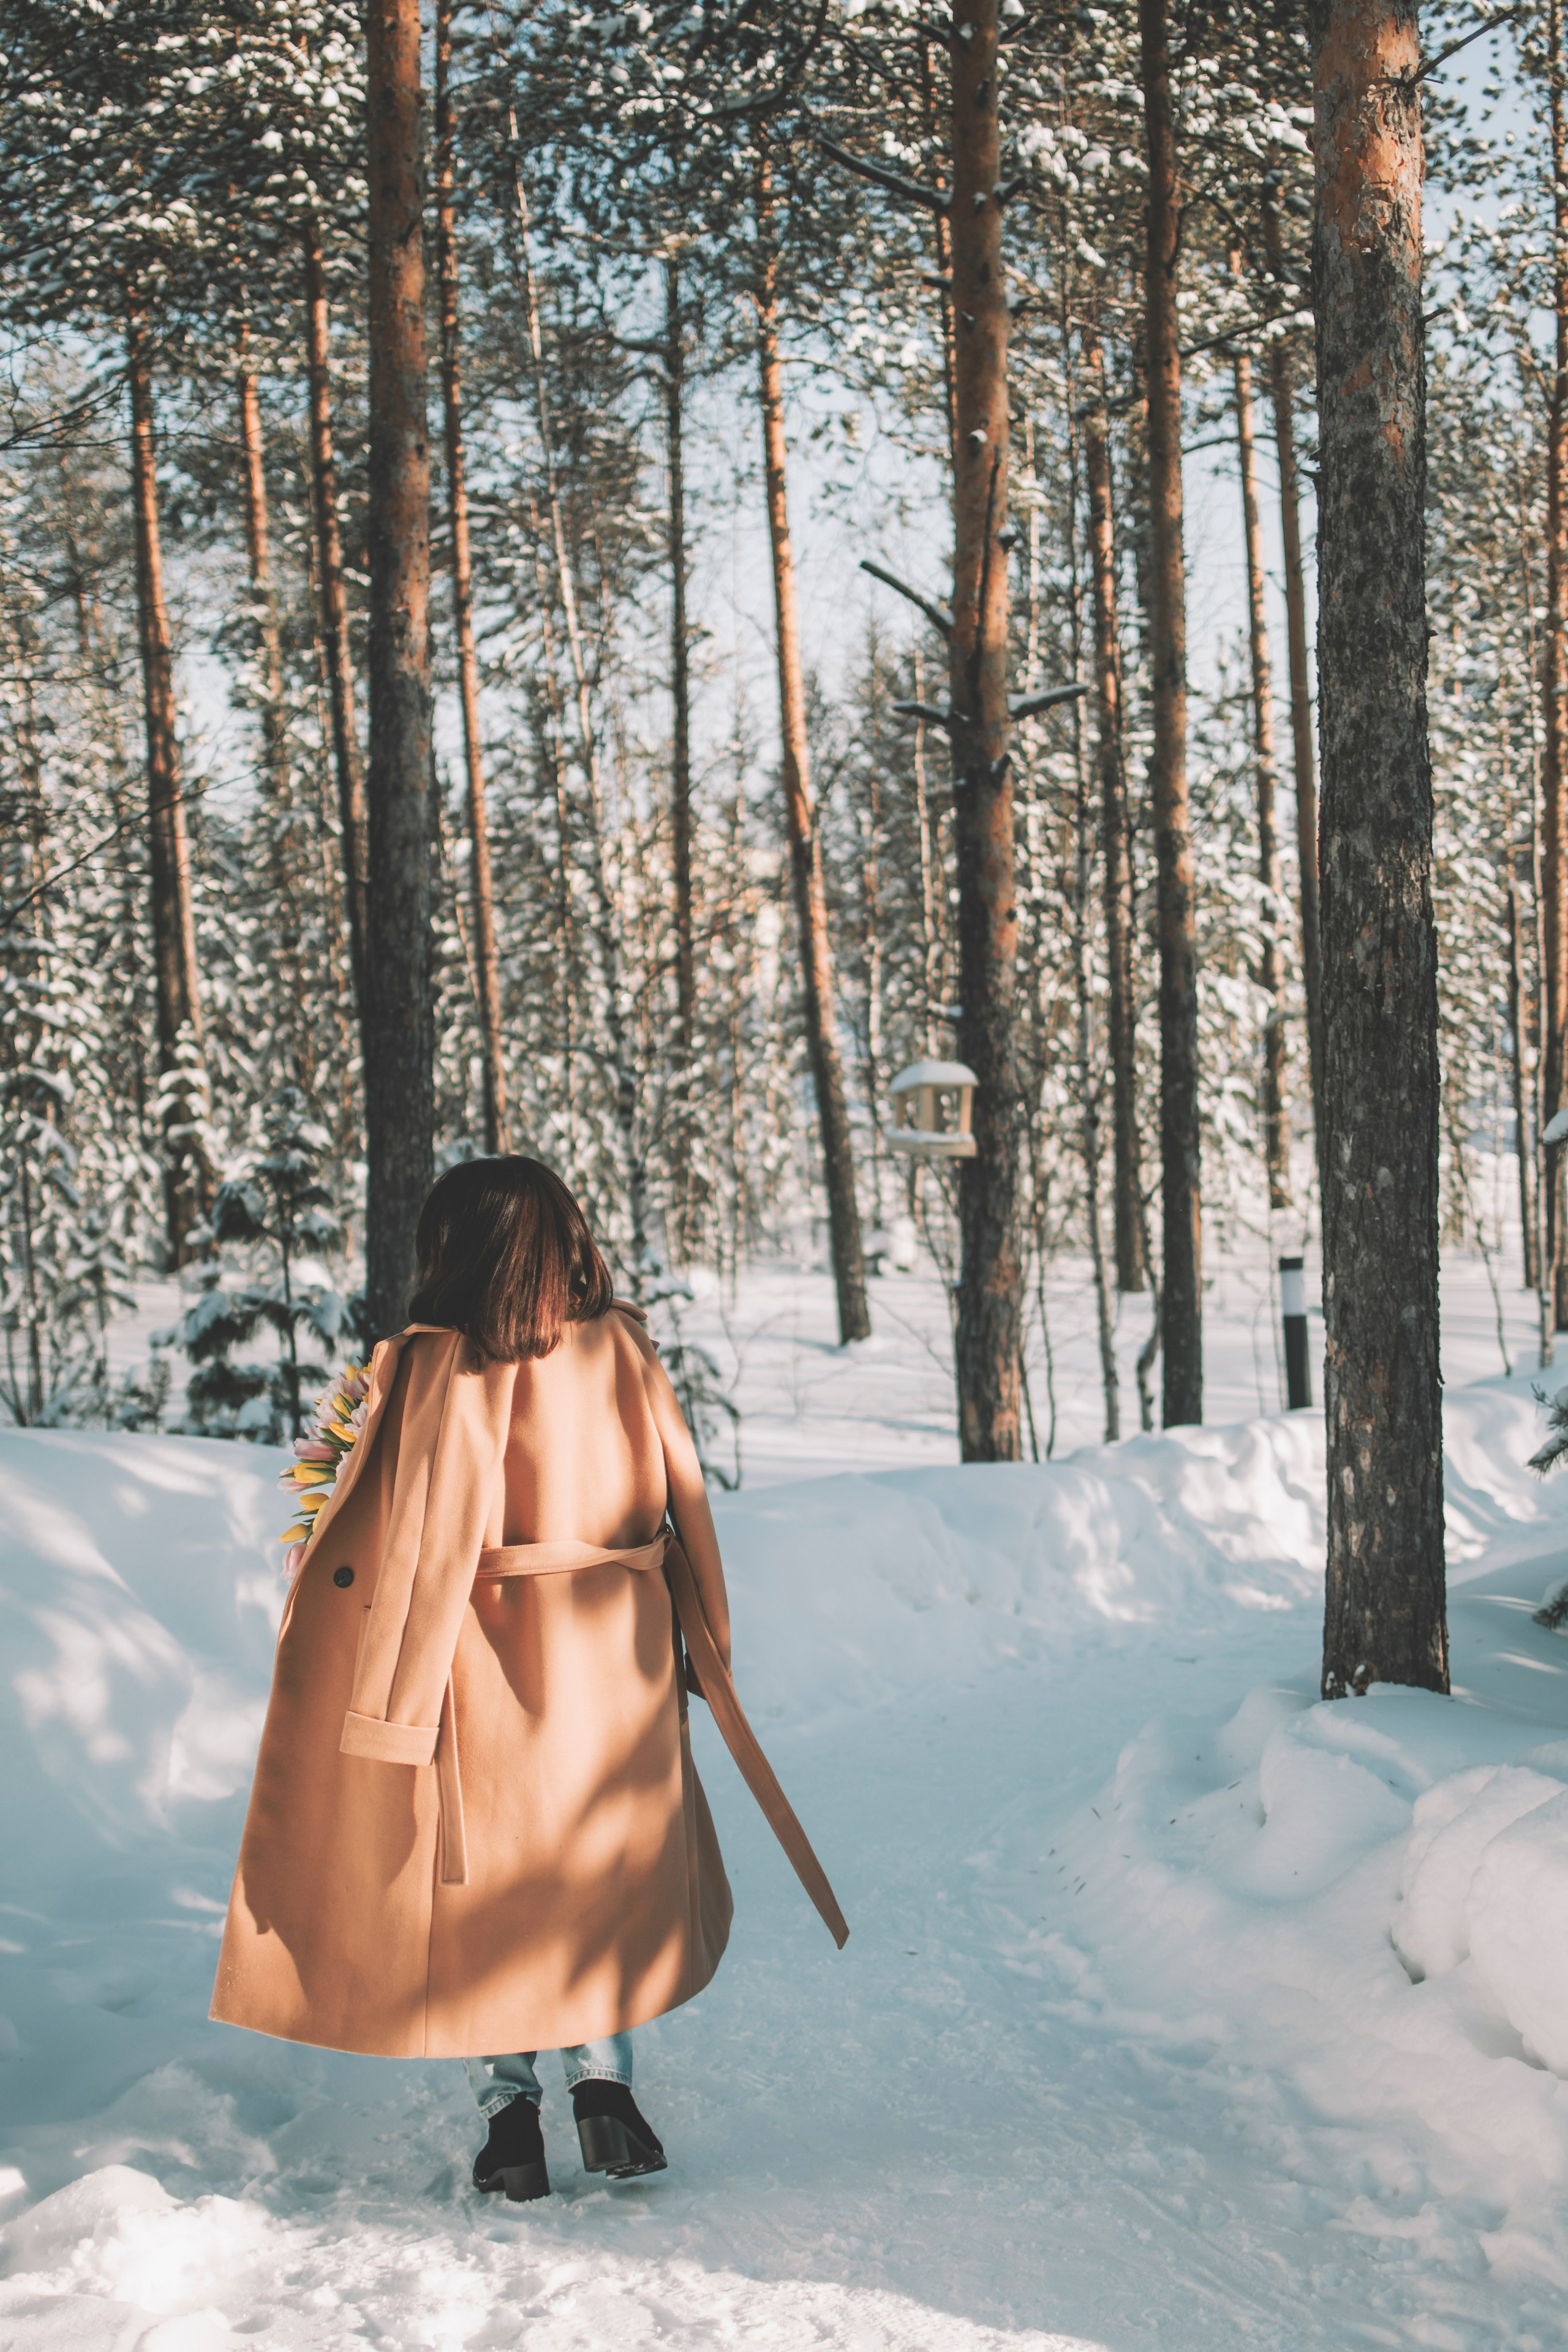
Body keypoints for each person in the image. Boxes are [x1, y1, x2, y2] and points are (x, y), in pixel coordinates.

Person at [211, 1156, 846, 2203]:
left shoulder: (432, 1366)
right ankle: (608, 2092)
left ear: (453, 1251)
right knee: (601, 1871)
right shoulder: (624, 1350)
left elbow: (403, 1531)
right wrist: (705, 1646)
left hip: (479, 1661)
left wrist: (336, 1597)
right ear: (562, 1239)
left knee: (486, 1889)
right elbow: (684, 1497)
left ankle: (510, 2118)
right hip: (615, 1655)